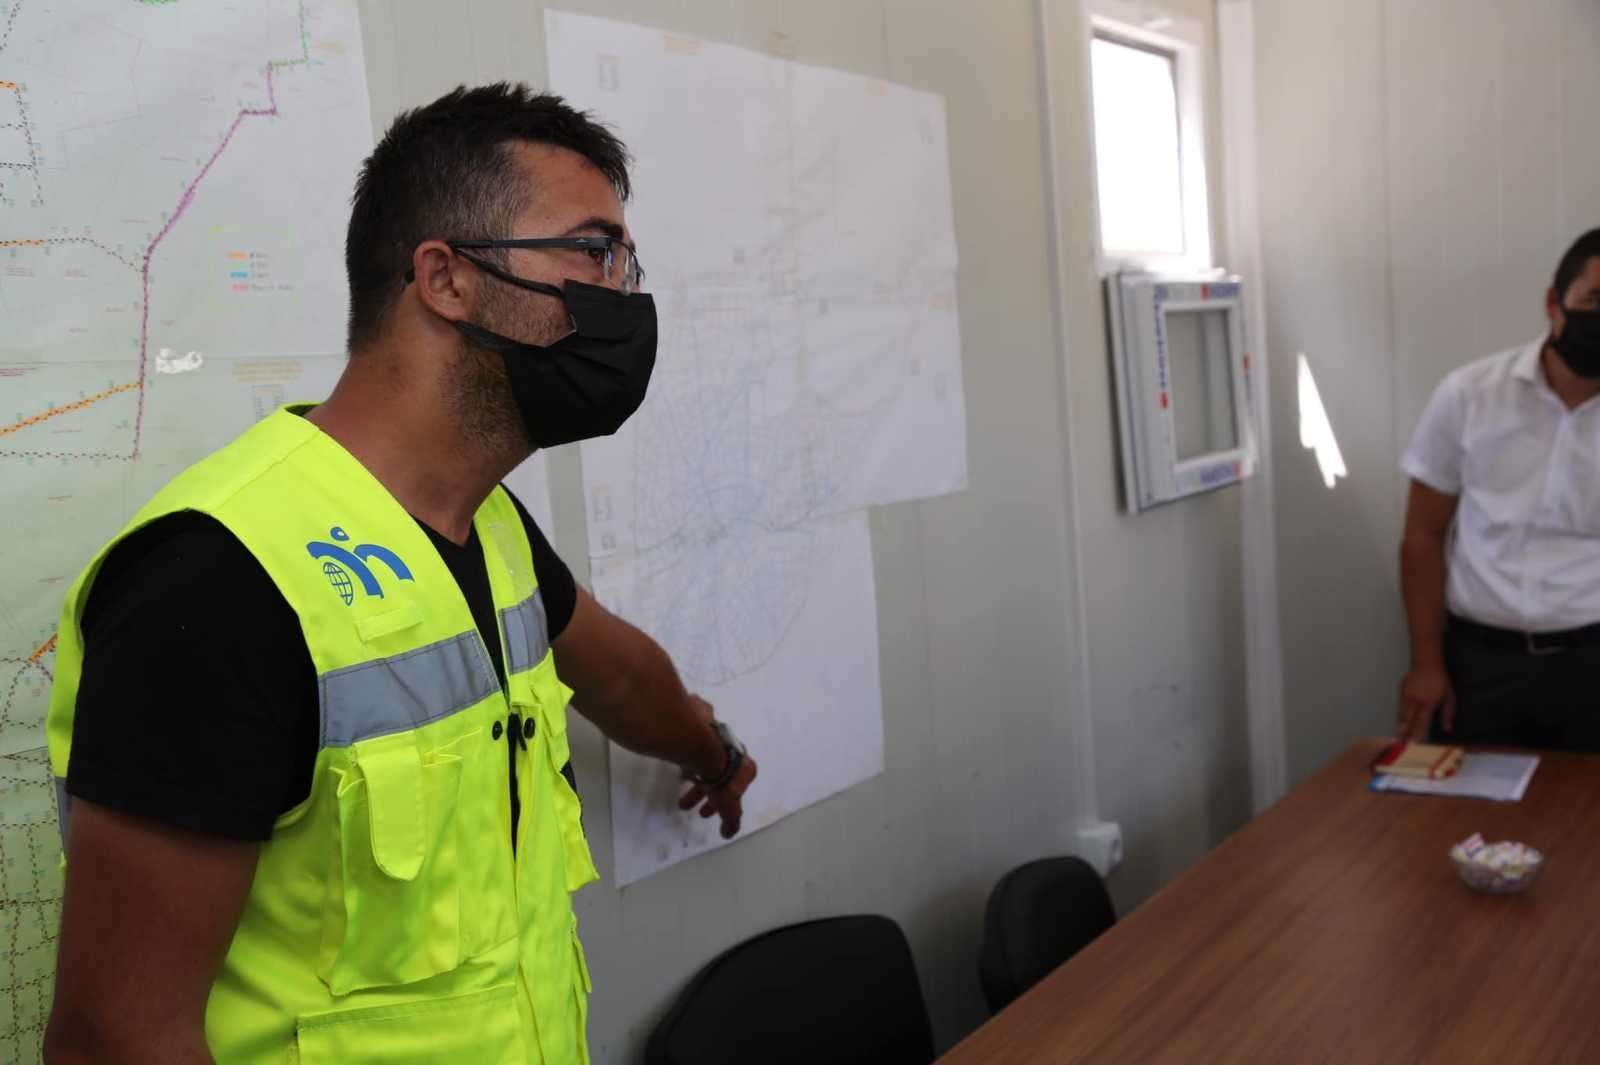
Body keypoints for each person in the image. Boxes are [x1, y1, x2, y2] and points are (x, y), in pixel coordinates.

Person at [42, 84, 757, 1065]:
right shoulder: (218, 582)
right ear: (446, 278)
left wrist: (709, 749)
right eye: (594, 253)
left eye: (625, 263)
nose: (624, 298)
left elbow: (621, 676)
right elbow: (115, 1040)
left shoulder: (489, 527)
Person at [1398, 226, 1600, 750]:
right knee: (1466, 800)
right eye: (1594, 301)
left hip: (1592, 662)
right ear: (1554, 303)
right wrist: (1426, 664)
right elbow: (1422, 535)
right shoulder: (1470, 395)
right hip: (1480, 665)